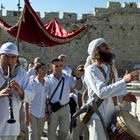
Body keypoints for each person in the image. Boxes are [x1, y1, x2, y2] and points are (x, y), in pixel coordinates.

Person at [84, 38, 139, 140]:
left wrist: (122, 96)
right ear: (96, 50)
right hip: (97, 116)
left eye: (107, 45)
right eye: (104, 45)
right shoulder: (91, 70)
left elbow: (111, 92)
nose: (107, 47)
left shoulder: (112, 69)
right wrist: (124, 81)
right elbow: (102, 92)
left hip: (112, 115)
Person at [0, 42, 34, 140]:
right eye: (6, 56)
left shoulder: (22, 74)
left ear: (17, 58)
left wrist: (20, 91)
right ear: (0, 56)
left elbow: (31, 95)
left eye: (13, 57)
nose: (9, 60)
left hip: (11, 126)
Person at [46, 58, 82, 140]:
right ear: (52, 67)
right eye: (56, 66)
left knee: (65, 132)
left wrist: (79, 78)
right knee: (51, 132)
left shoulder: (68, 78)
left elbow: (78, 87)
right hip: (53, 108)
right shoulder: (47, 79)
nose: (59, 68)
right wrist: (46, 111)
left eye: (60, 66)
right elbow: (44, 96)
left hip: (65, 108)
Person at [27, 62, 48, 140]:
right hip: (32, 112)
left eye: (45, 68)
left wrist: (46, 112)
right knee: (33, 135)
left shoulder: (47, 83)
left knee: (38, 135)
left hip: (42, 114)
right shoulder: (32, 83)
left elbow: (46, 98)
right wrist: (27, 115)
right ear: (37, 71)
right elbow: (27, 99)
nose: (44, 70)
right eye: (42, 69)